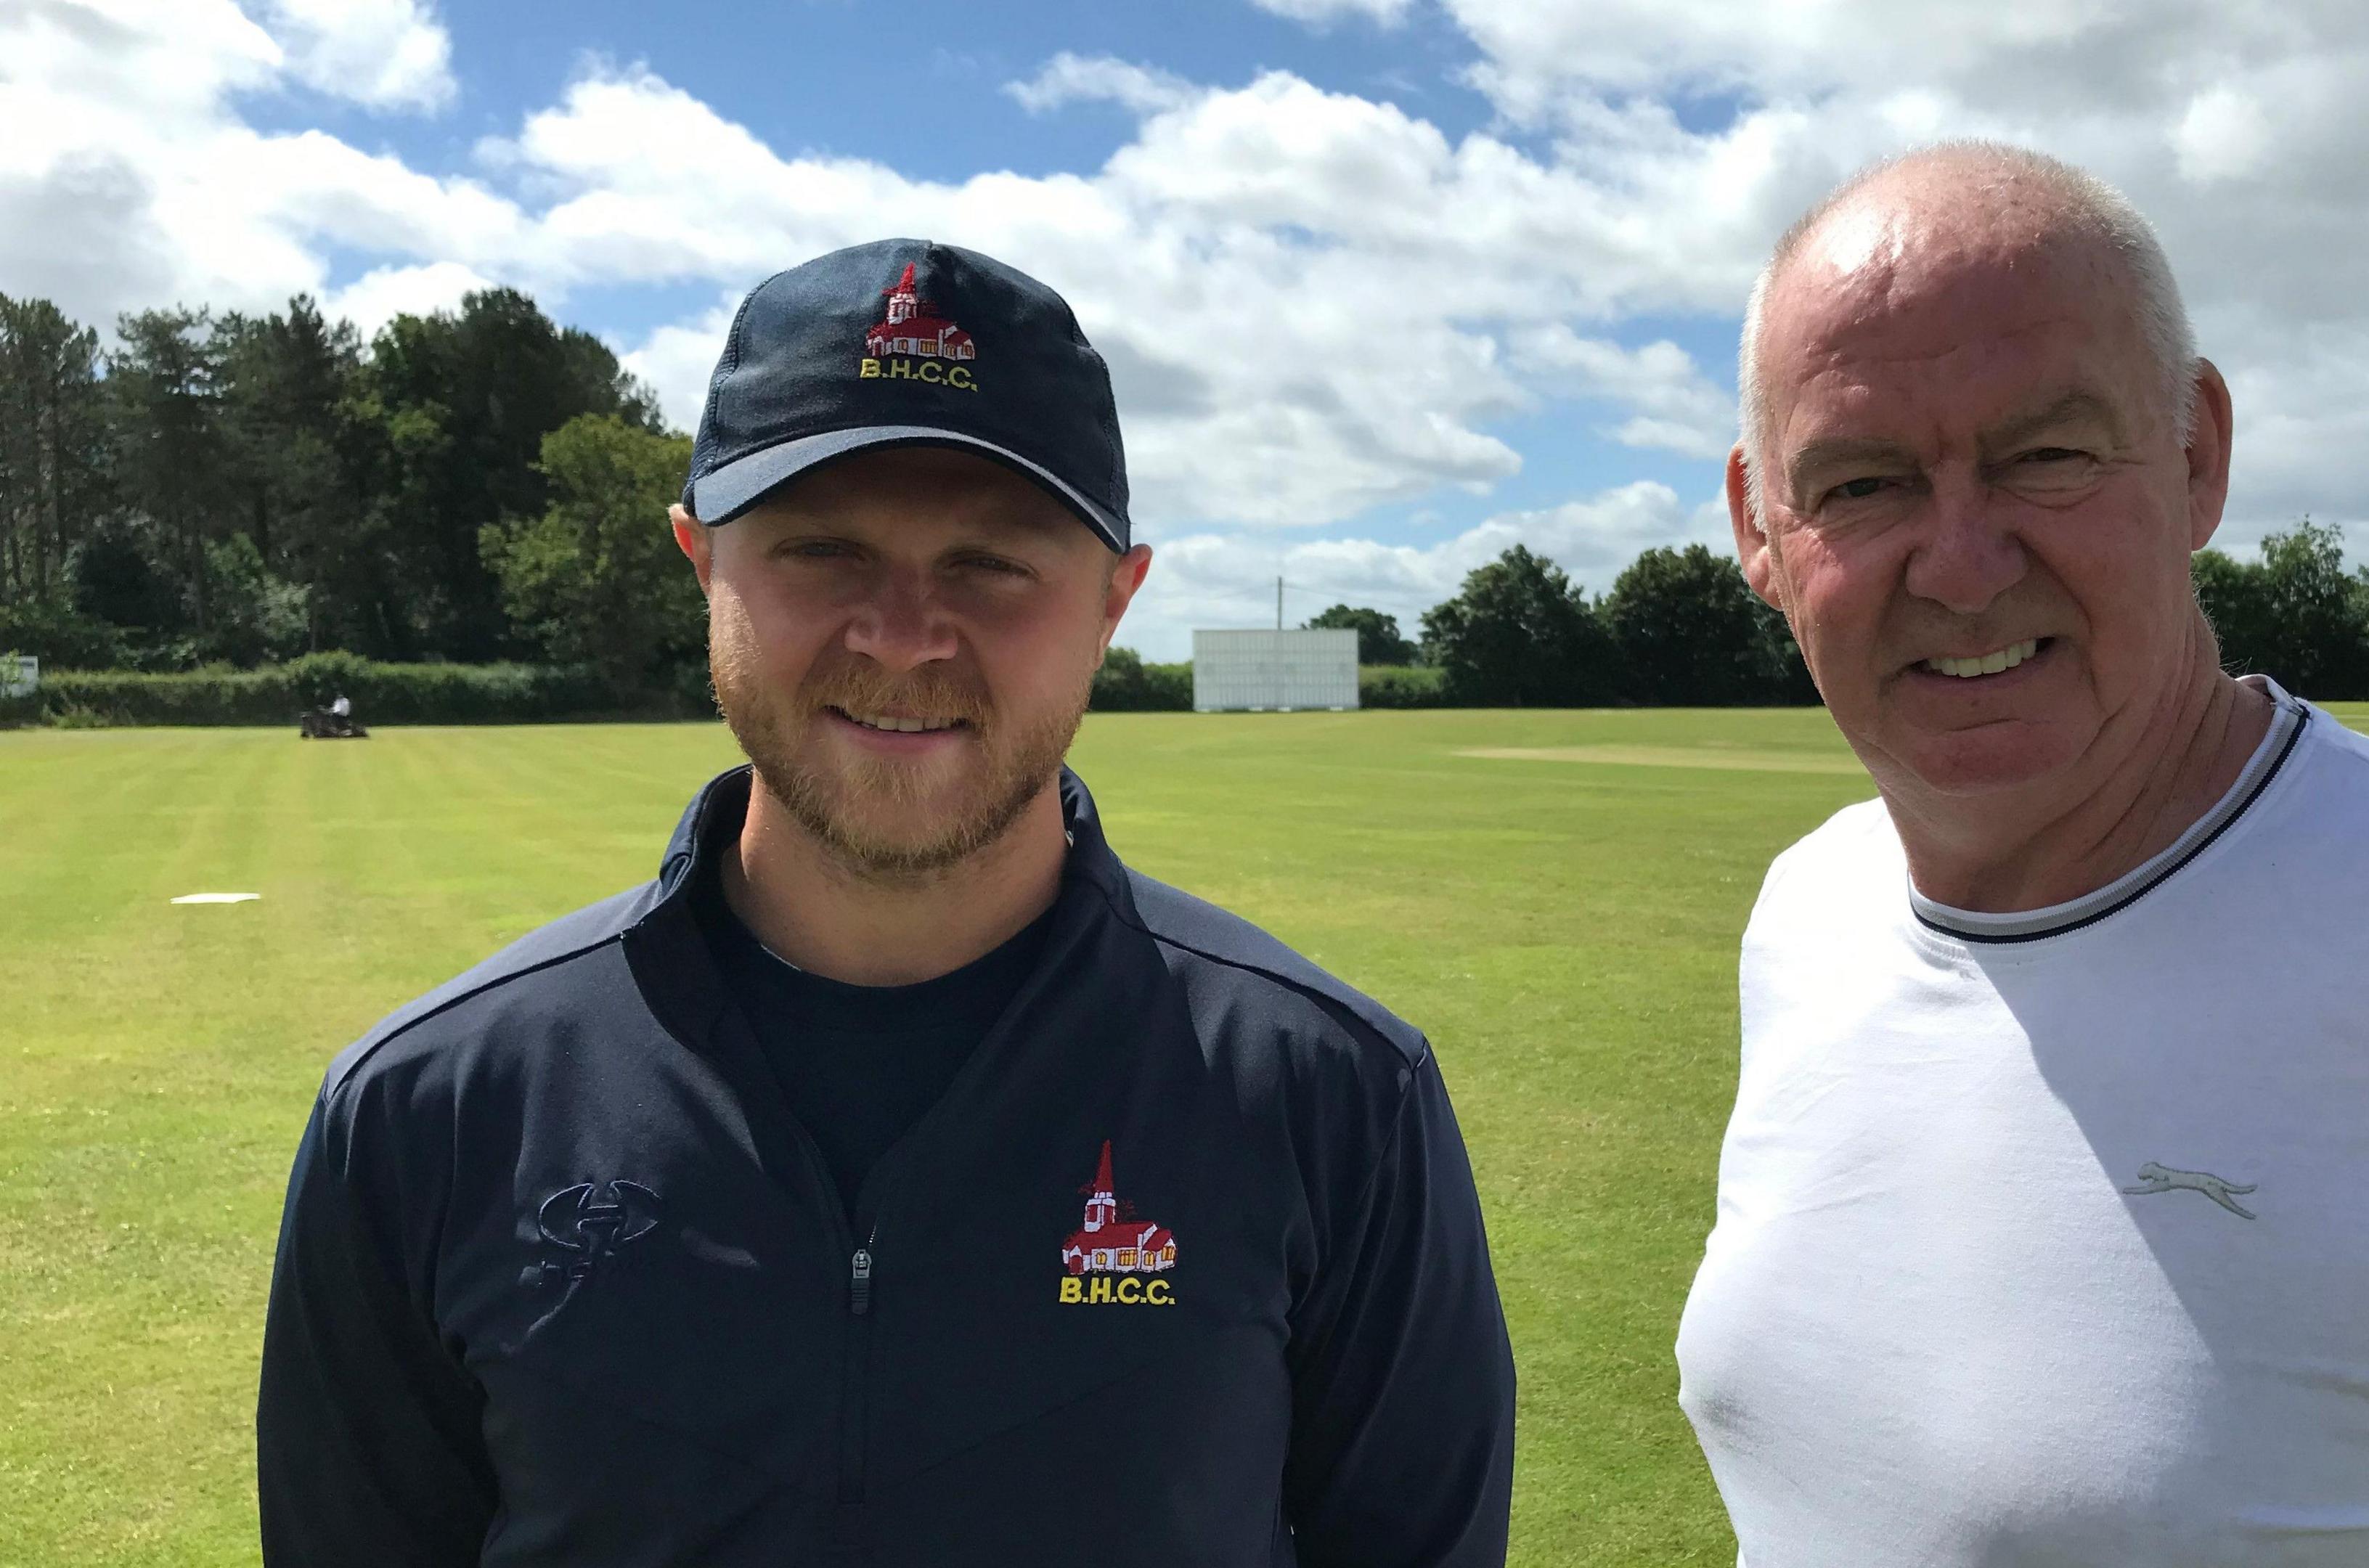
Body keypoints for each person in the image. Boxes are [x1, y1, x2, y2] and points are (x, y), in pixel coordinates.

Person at [258, 239, 1516, 1567]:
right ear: (703, 564)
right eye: (822, 550)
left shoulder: (1336, 1103)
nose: (903, 632)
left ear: (1112, 603)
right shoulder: (426, 1115)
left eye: (990, 564)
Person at [1675, 143, 2369, 1568]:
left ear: (2196, 455)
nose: (1960, 565)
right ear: (1759, 529)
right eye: (1864, 483)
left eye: (2046, 455)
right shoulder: (1810, 915)